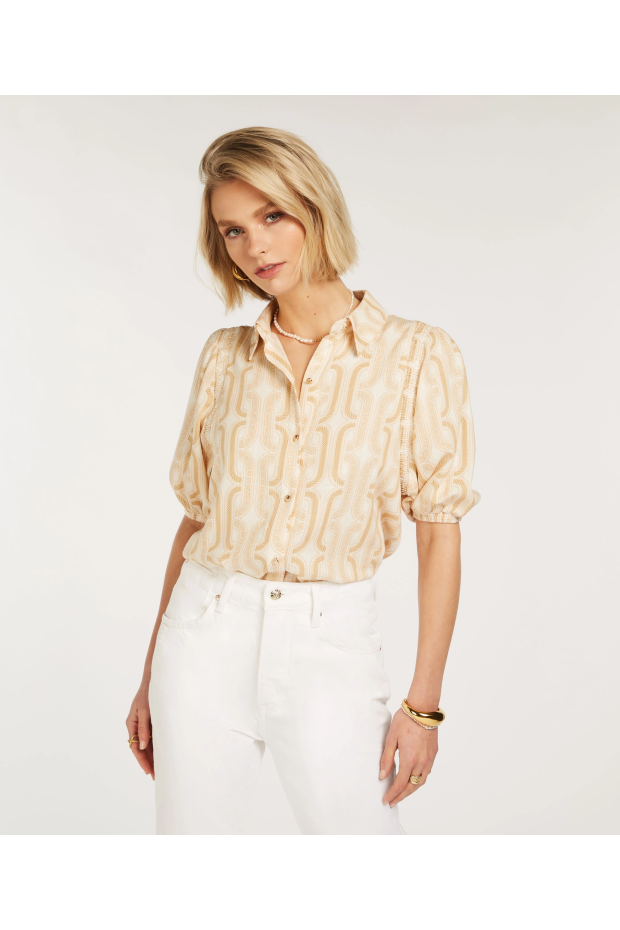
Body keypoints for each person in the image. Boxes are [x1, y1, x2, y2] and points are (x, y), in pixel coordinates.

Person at [126, 126, 481, 835]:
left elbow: (439, 532)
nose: (255, 247)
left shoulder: (417, 355)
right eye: (232, 230)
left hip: (331, 643)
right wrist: (148, 678)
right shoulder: (224, 356)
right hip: (202, 635)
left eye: (272, 215)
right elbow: (196, 520)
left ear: (316, 209)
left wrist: (424, 706)